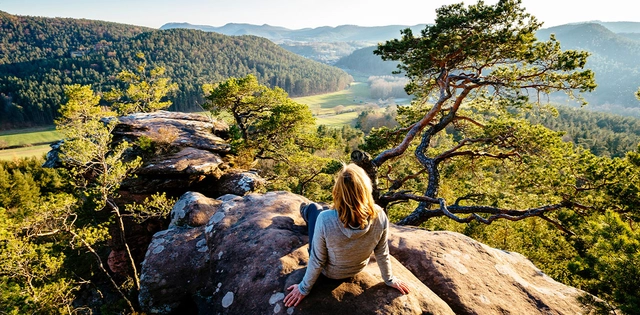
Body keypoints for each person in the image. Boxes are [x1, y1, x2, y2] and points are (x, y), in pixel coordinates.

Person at [283, 163, 411, 308]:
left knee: (314, 209)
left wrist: (303, 289)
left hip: (330, 273)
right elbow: (382, 253)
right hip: (357, 268)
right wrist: (389, 279)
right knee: (322, 212)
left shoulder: (325, 219)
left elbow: (317, 260)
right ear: (366, 189)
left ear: (337, 191)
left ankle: (305, 210)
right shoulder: (380, 214)